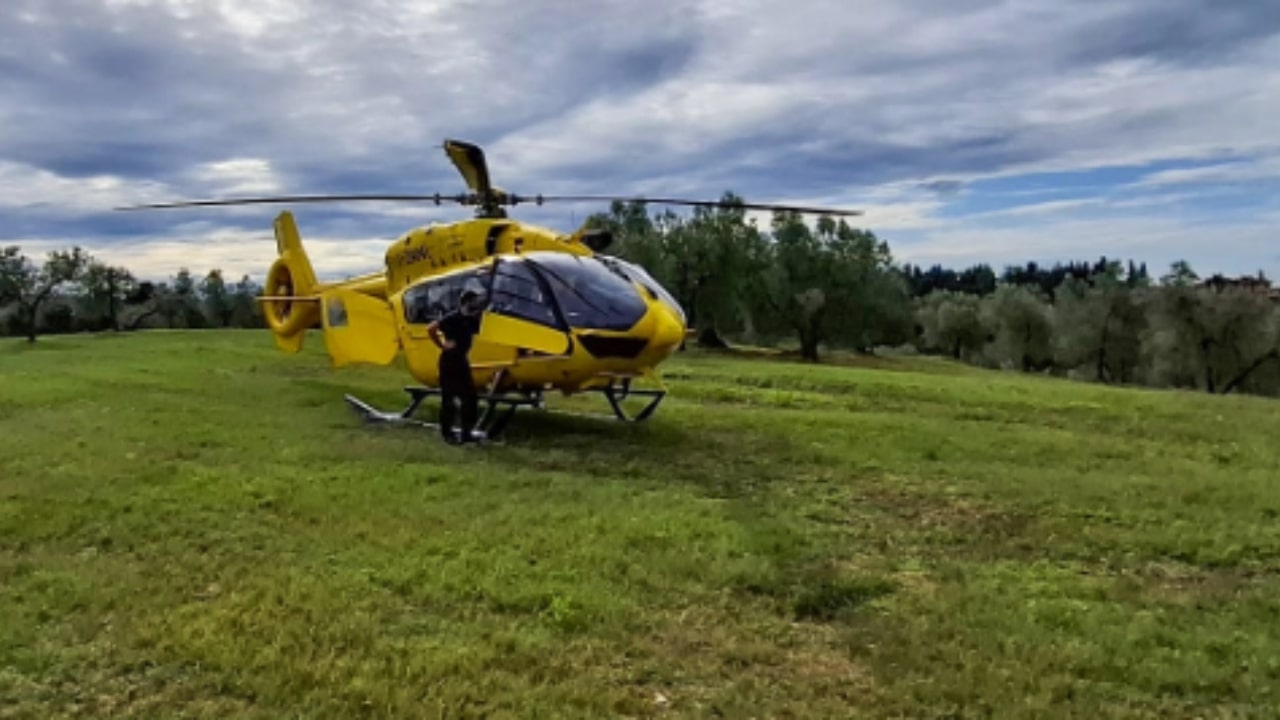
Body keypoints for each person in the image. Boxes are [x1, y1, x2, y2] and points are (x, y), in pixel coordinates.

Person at [427, 290, 484, 444]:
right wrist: (442, 345)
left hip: (461, 360)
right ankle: (447, 434)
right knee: (449, 398)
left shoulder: (471, 320)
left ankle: (467, 433)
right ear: (465, 303)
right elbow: (431, 328)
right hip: (449, 361)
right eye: (473, 303)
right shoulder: (452, 317)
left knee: (470, 397)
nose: (476, 307)